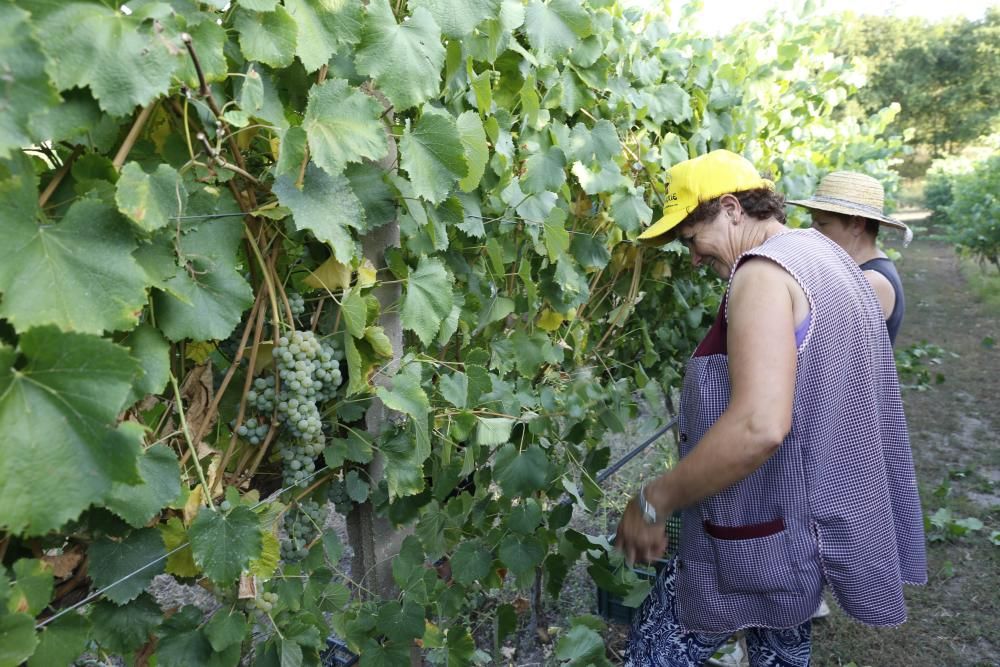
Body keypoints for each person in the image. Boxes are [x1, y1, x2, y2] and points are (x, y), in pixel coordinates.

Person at [617, 150, 926, 667]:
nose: (692, 257)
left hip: (750, 536)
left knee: (654, 653)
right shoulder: (827, 257)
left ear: (733, 209)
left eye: (693, 238)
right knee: (781, 655)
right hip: (799, 534)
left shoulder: (760, 274)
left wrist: (654, 499)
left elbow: (760, 426)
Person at [788, 171, 912, 345]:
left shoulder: (871, 282)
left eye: (822, 224)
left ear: (857, 225)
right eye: (813, 221)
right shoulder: (859, 270)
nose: (812, 230)